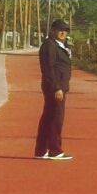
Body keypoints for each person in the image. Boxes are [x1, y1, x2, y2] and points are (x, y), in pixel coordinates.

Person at [35, 19, 73, 160]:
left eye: (65, 30)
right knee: (56, 118)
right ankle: (55, 150)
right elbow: (48, 68)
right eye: (60, 29)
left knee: (48, 117)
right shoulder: (50, 46)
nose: (63, 32)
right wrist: (57, 88)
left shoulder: (60, 45)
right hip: (55, 87)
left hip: (58, 86)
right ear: (53, 30)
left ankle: (41, 149)